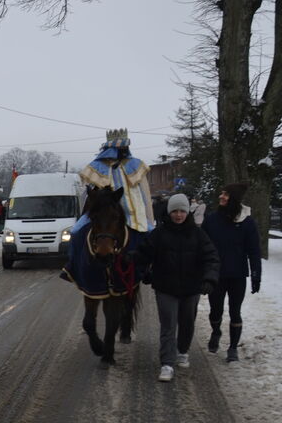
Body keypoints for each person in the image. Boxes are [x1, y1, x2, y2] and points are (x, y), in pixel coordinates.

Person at [136, 194, 220, 382]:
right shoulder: (159, 234)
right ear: (169, 212)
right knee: (168, 325)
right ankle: (167, 363)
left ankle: (182, 351)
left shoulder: (198, 234)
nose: (178, 215)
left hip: (191, 287)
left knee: (187, 322)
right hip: (166, 287)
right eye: (175, 211)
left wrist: (209, 279)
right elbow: (142, 255)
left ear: (187, 212)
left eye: (182, 211)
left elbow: (211, 257)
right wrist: (143, 271)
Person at [202, 183, 262, 362]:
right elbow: (201, 245)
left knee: (235, 311)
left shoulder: (247, 222)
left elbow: (254, 251)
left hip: (237, 275)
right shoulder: (211, 219)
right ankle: (216, 331)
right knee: (215, 310)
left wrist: (256, 274)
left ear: (233, 199)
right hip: (216, 274)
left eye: (226, 195)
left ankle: (233, 347)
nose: (221, 197)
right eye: (221, 193)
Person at [79, 128, 155, 234]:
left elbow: (145, 195)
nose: (123, 150)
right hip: (103, 215)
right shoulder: (96, 167)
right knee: (75, 232)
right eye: (120, 148)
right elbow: (85, 196)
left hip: (135, 216)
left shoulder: (136, 165)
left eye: (125, 147)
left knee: (151, 237)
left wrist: (150, 219)